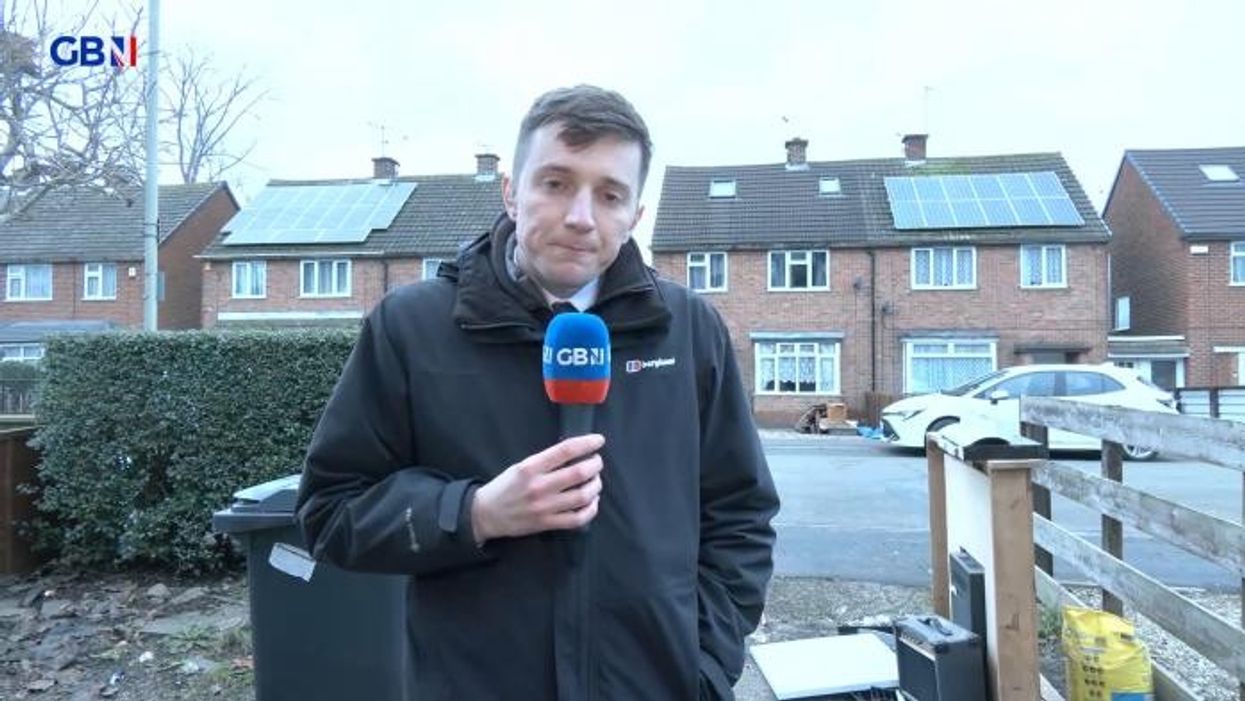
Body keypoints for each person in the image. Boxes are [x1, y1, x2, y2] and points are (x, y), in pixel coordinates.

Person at [296, 84, 779, 700]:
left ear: (635, 215)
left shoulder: (689, 329)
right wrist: (474, 514)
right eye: (555, 183)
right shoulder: (412, 326)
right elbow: (331, 511)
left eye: (610, 195)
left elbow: (740, 514)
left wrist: (704, 665)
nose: (581, 217)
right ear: (511, 192)